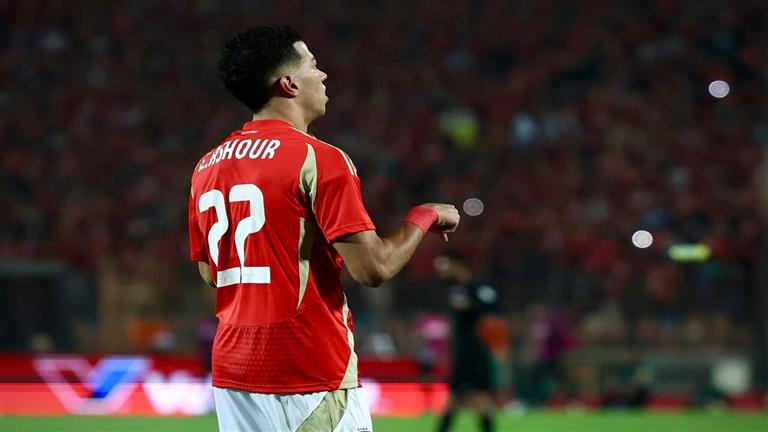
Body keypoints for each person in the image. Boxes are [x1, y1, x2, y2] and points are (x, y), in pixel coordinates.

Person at [188, 25, 460, 432]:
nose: (323, 74)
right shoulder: (319, 158)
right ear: (289, 83)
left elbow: (211, 272)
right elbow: (373, 269)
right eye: (313, 65)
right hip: (308, 368)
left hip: (234, 373)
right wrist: (424, 216)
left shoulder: (206, 167)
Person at [434, 251, 500, 432]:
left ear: (458, 265)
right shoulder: (454, 291)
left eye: (444, 265)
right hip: (461, 354)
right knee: (453, 401)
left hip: (475, 354)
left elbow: (494, 311)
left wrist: (472, 306)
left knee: (479, 399)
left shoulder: (477, 288)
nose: (441, 270)